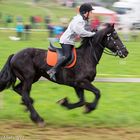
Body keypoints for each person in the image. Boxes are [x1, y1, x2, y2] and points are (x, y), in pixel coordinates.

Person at [47, 3, 96, 80]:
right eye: (91, 12)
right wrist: (92, 34)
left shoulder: (82, 20)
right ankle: (52, 70)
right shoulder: (79, 20)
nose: (91, 14)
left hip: (70, 41)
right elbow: (81, 32)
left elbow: (84, 31)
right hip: (66, 41)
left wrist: (91, 31)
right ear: (85, 12)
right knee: (68, 56)